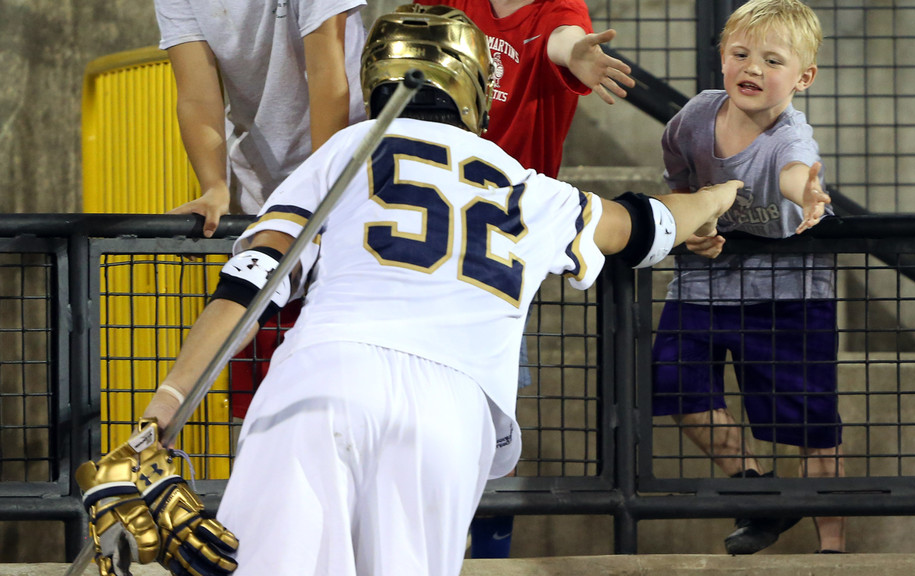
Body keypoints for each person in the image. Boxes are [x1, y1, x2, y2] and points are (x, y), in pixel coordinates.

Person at [77, 6, 739, 576]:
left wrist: (156, 421)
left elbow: (248, 284)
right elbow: (645, 224)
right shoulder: (523, 183)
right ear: (476, 87)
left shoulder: (342, 153)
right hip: (449, 412)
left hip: (320, 381)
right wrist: (716, 197)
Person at [410, 0, 636, 557]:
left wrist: (575, 53)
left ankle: (489, 557)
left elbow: (563, 38)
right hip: (428, 226)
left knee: (489, 414)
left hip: (500, 243)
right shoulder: (453, 5)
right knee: (418, 409)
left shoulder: (557, 11)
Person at [648, 0, 844, 555]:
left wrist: (808, 192)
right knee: (675, 382)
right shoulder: (694, 117)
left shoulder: (790, 136)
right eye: (740, 54)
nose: (752, 68)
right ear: (722, 58)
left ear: (803, 78)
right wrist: (692, 225)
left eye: (772, 60)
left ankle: (833, 548)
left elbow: (793, 170)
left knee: (812, 424)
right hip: (706, 279)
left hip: (788, 289)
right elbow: (680, 183)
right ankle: (756, 491)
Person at [153, 0, 368, 427]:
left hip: (348, 187)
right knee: (263, 411)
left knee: (347, 404)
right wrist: (215, 185)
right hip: (263, 194)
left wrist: (317, 191)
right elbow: (196, 94)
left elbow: (328, 75)